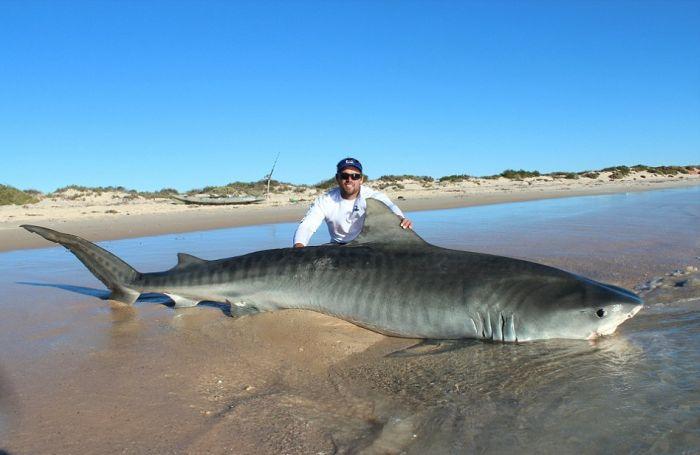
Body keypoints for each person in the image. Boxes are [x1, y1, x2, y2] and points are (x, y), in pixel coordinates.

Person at [293, 158, 413, 247]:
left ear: (361, 179)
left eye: (355, 176)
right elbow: (307, 226)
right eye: (344, 175)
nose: (349, 180)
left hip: (369, 245)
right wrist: (298, 246)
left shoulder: (373, 196)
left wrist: (400, 218)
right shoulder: (325, 200)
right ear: (337, 178)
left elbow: (391, 207)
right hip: (337, 247)